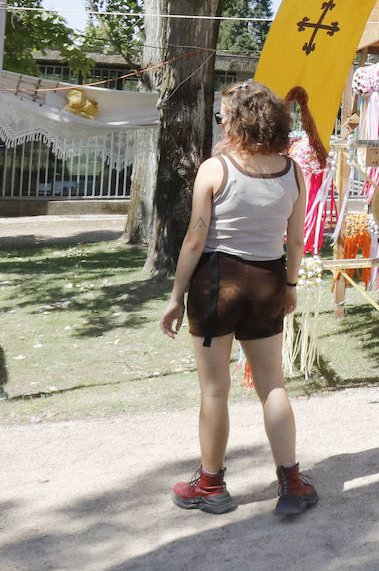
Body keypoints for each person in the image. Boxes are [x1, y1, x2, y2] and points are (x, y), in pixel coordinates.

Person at [159, 80, 319, 516]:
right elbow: (296, 241)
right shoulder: (293, 171)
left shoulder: (216, 168)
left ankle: (211, 485)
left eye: (223, 115)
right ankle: (291, 481)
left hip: (217, 284)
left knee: (214, 391)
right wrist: (288, 286)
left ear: (238, 120)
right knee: (273, 386)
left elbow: (195, 238)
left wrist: (176, 295)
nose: (221, 121)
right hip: (267, 283)